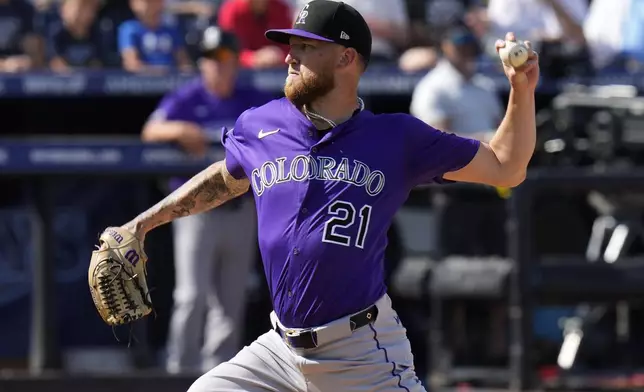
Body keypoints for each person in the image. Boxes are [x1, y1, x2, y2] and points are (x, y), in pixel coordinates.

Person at [117, 0, 539, 390]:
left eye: (305, 47)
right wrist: (142, 223)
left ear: (345, 57)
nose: (288, 56)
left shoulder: (395, 138)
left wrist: (521, 89)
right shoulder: (262, 124)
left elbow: (507, 166)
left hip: (362, 351)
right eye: (289, 46)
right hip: (280, 350)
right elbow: (225, 178)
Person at [142, 26, 273, 374]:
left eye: (225, 58)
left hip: (240, 209)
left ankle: (219, 374)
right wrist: (180, 130)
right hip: (195, 211)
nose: (218, 66)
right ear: (202, 63)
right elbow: (150, 129)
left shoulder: (249, 98)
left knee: (229, 302)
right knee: (191, 296)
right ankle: (180, 370)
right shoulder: (187, 98)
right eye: (211, 59)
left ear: (235, 63)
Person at [118, 0, 193, 73]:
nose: (148, 5)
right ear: (133, 3)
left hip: (172, 82)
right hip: (141, 82)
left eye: (153, 1)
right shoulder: (129, 29)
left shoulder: (171, 31)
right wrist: (159, 73)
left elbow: (183, 62)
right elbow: (131, 64)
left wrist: (186, 71)